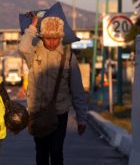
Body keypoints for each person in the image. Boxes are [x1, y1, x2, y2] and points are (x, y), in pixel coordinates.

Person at [18, 13, 88, 165]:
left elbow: (77, 89)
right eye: (48, 38)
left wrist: (82, 118)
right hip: (38, 112)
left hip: (60, 113)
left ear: (61, 37)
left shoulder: (68, 57)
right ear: (42, 37)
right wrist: (32, 27)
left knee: (56, 152)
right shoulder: (34, 53)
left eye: (55, 38)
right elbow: (23, 48)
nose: (52, 42)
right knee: (42, 153)